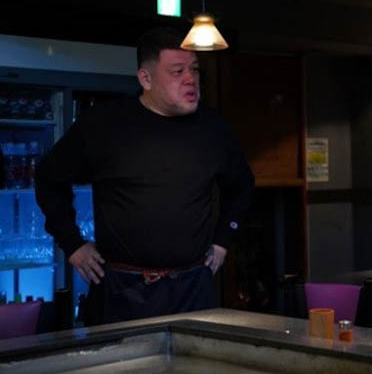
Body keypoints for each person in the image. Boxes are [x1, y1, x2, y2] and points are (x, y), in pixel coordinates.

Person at [36, 27, 254, 325]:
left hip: (192, 286)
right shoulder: (104, 125)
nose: (190, 79)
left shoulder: (213, 128)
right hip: (123, 290)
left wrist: (223, 239)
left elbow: (242, 186)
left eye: (194, 70)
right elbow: (48, 178)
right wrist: (72, 243)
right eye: (177, 71)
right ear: (145, 79)